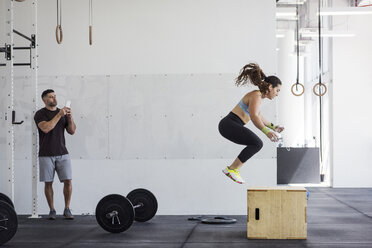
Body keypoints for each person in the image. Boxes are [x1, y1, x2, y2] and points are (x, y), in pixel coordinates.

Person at [218, 63, 284, 184]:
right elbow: (253, 117)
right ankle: (231, 169)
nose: (277, 94)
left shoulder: (258, 97)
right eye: (277, 90)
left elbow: (258, 115)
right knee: (257, 143)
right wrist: (267, 132)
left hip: (230, 125)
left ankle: (232, 169)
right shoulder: (256, 95)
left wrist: (274, 127)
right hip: (229, 124)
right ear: (270, 87)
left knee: (256, 144)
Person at [34, 89, 76, 219]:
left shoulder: (62, 113)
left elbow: (72, 131)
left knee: (68, 181)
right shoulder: (40, 114)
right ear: (44, 100)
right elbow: (46, 128)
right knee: (48, 183)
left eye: (55, 96)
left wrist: (70, 117)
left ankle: (67, 209)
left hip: (63, 153)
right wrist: (59, 115)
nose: (54, 99)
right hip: (46, 154)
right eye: (51, 97)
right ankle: (52, 210)